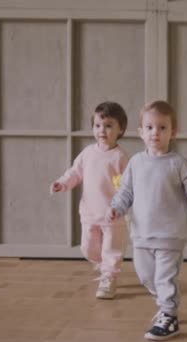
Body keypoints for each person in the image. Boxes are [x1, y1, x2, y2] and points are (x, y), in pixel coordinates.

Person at [106, 100, 187, 340]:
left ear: (173, 132)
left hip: (170, 235)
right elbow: (126, 192)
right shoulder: (136, 163)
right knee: (145, 276)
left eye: (162, 128)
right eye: (150, 127)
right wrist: (116, 208)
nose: (156, 133)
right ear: (141, 132)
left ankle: (169, 315)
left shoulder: (178, 163)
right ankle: (164, 302)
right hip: (141, 235)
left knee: (164, 276)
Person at [51, 101, 129, 299]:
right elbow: (75, 172)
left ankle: (109, 277)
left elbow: (129, 184)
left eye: (109, 125)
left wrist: (123, 202)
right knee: (88, 248)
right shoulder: (87, 153)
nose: (102, 130)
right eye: (97, 125)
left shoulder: (120, 157)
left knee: (112, 248)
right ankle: (102, 265)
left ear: (121, 129)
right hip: (89, 212)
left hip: (113, 214)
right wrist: (62, 183)